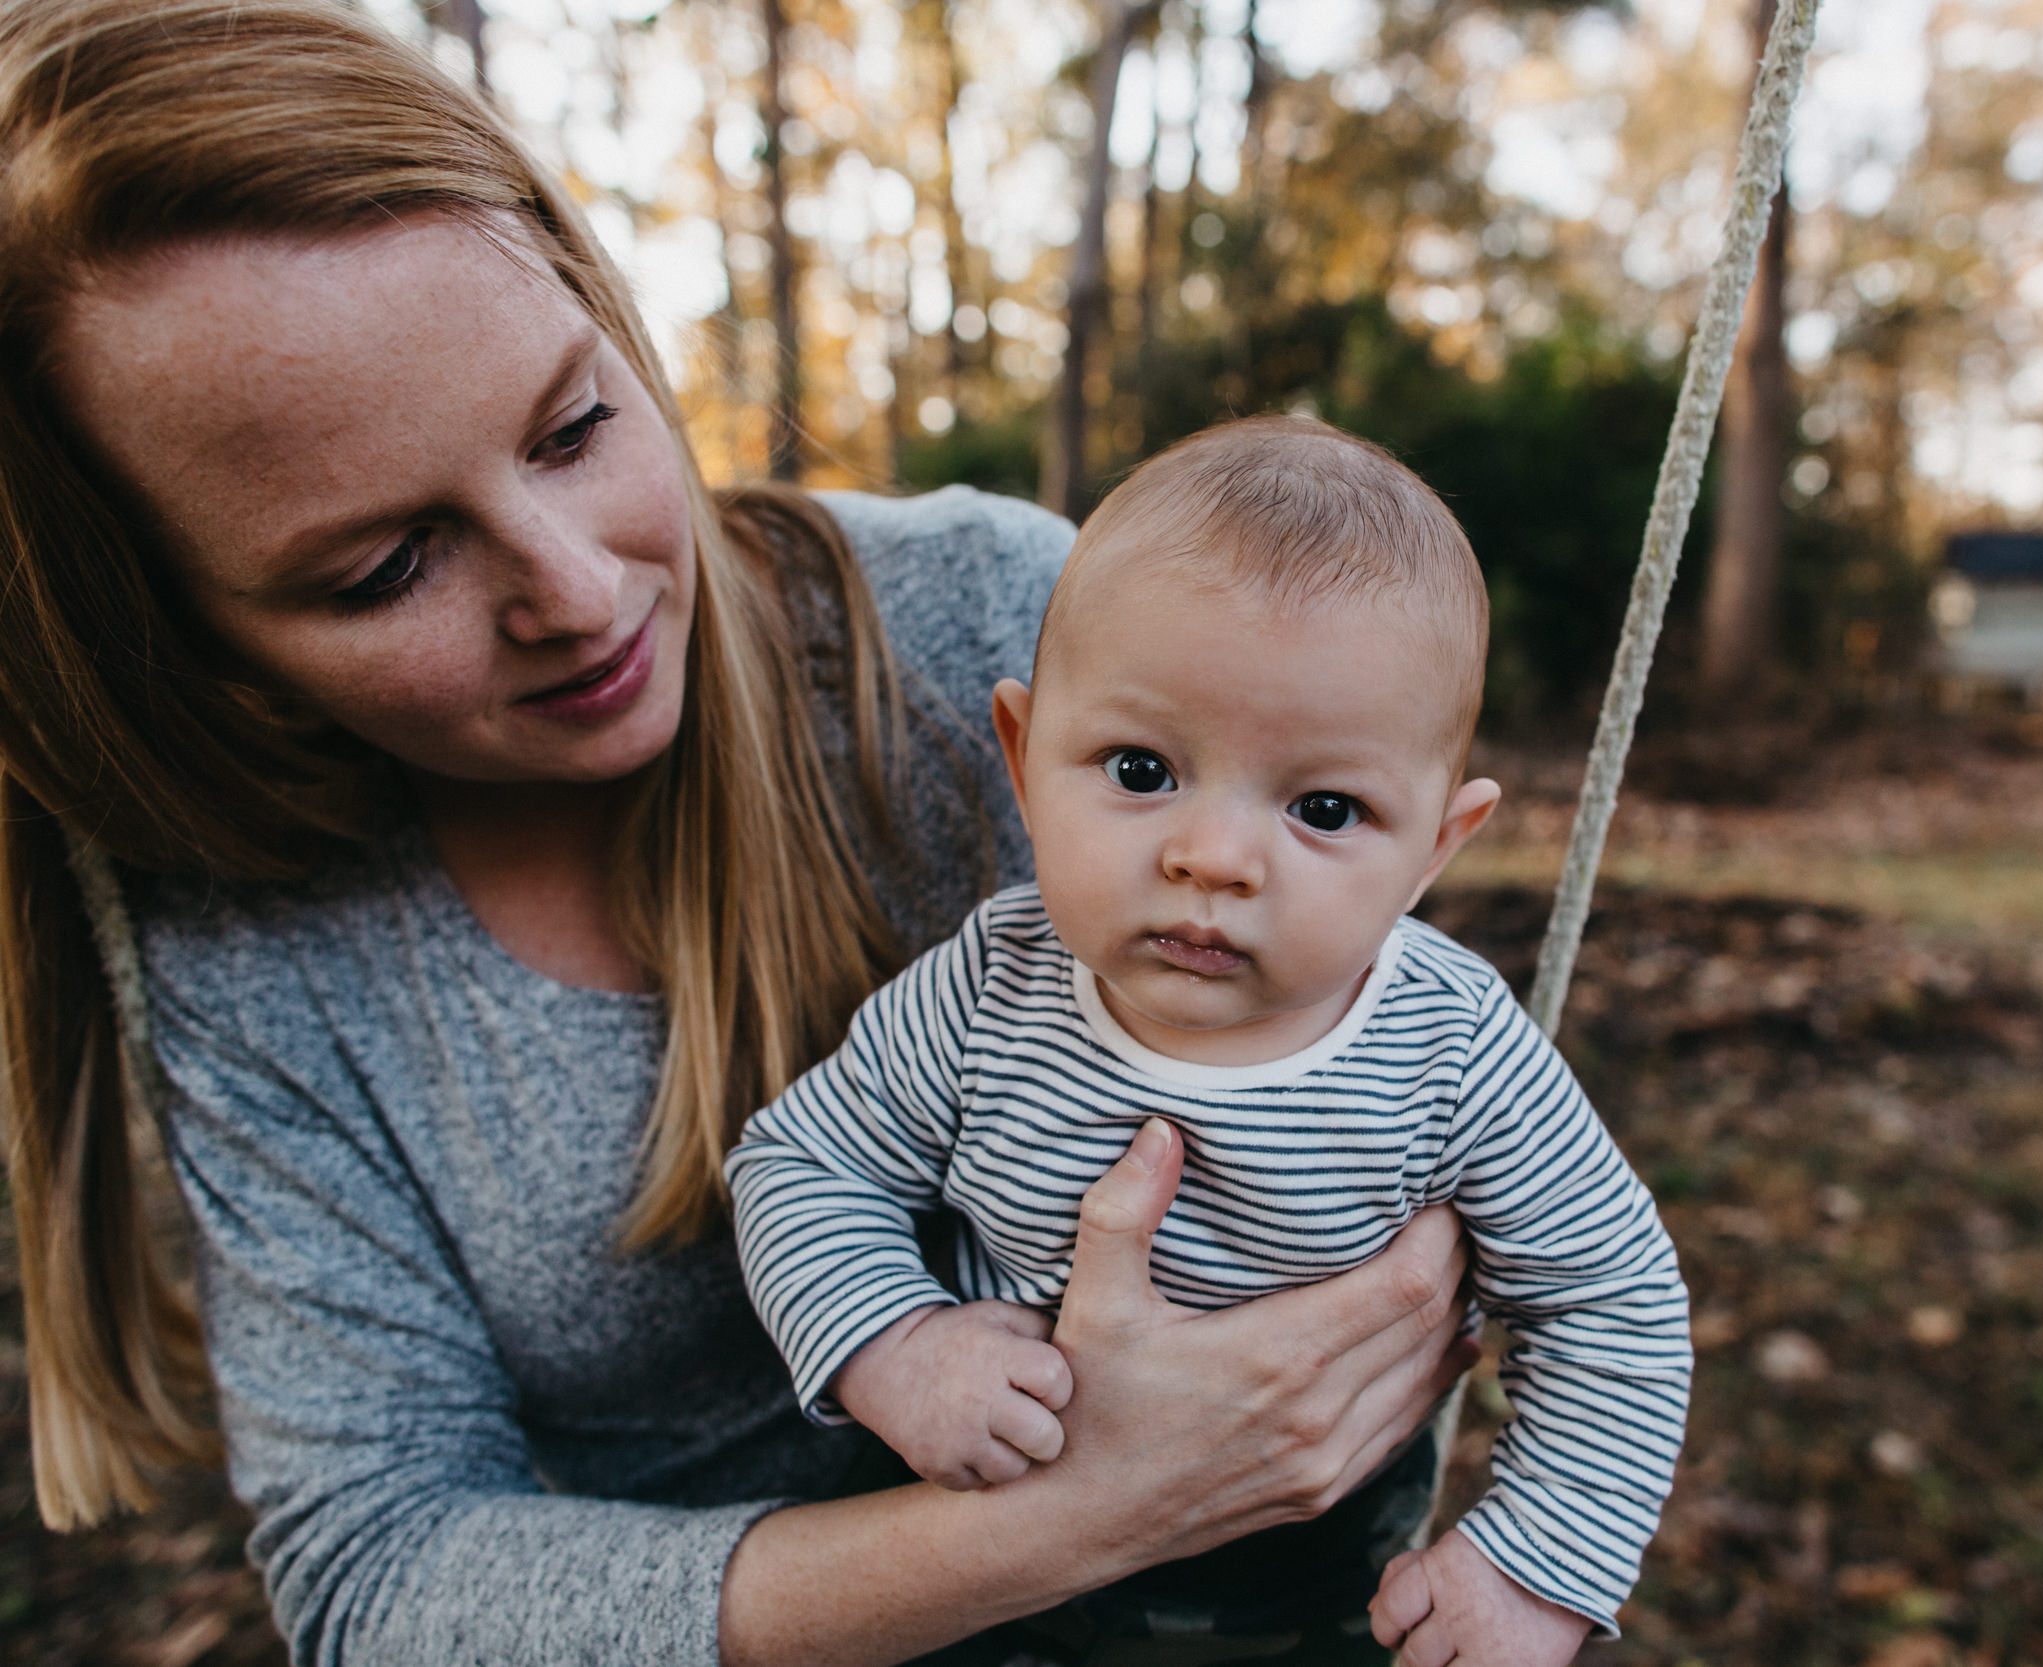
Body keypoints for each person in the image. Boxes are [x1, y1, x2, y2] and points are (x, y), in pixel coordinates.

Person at [0, 5, 1478, 1665]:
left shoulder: (993, 625)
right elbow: (380, 1568)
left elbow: (1392, 1104)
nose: (576, 589)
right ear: (174, 631)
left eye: (574, 429)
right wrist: (1071, 1514)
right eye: (382, 568)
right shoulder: (254, 934)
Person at [729, 418, 1695, 1664]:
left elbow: (1612, 1298)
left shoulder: (1451, 1050)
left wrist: (1535, 1564)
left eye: (1325, 808)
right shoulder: (987, 990)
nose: (1214, 857)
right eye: (1140, 768)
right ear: (1023, 761)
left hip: (1306, 1595)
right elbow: (802, 1164)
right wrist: (893, 1340)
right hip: (963, 1562)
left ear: (1435, 849)